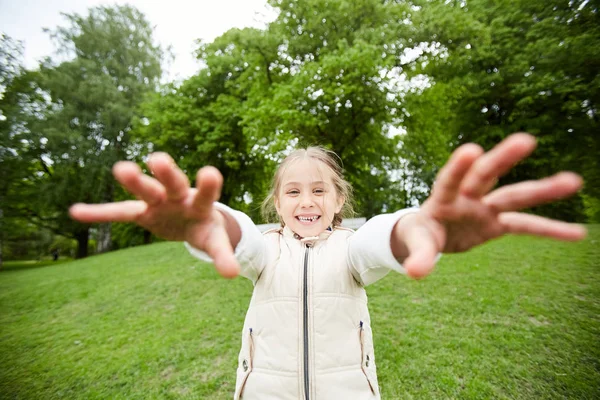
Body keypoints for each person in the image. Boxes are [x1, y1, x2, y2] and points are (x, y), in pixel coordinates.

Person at [70, 133, 586, 400]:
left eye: (320, 190)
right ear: (277, 202)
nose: (307, 200)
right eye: (293, 191)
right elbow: (241, 241)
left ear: (339, 201)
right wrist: (211, 226)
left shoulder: (350, 247)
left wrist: (414, 229)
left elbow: (379, 242)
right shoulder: (267, 247)